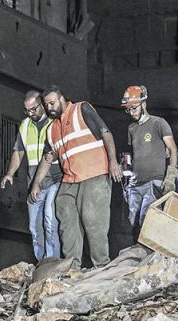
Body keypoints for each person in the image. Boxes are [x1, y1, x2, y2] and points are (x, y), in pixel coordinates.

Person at [30, 85, 122, 268]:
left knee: (93, 222)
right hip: (70, 180)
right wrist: (36, 183)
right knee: (65, 217)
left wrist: (113, 162)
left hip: (94, 175)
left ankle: (101, 266)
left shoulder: (82, 110)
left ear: (62, 99)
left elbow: (106, 134)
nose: (50, 107)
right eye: (46, 104)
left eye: (52, 103)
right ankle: (72, 267)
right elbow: (47, 159)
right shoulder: (52, 129)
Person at [0, 90, 62, 261]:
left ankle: (52, 261)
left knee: (50, 222)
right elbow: (18, 151)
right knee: (34, 228)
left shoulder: (54, 122)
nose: (30, 113)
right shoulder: (25, 125)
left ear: (42, 104)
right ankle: (40, 262)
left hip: (55, 180)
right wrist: (10, 173)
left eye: (33, 109)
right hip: (33, 184)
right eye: (27, 110)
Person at [120, 85, 178, 232]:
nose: (131, 112)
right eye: (128, 109)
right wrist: (127, 181)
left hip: (154, 182)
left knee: (148, 221)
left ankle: (152, 253)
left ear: (144, 104)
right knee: (133, 223)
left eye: (134, 108)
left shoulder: (158, 123)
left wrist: (170, 177)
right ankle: (139, 253)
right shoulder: (131, 129)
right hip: (136, 183)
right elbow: (132, 155)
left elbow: (173, 149)